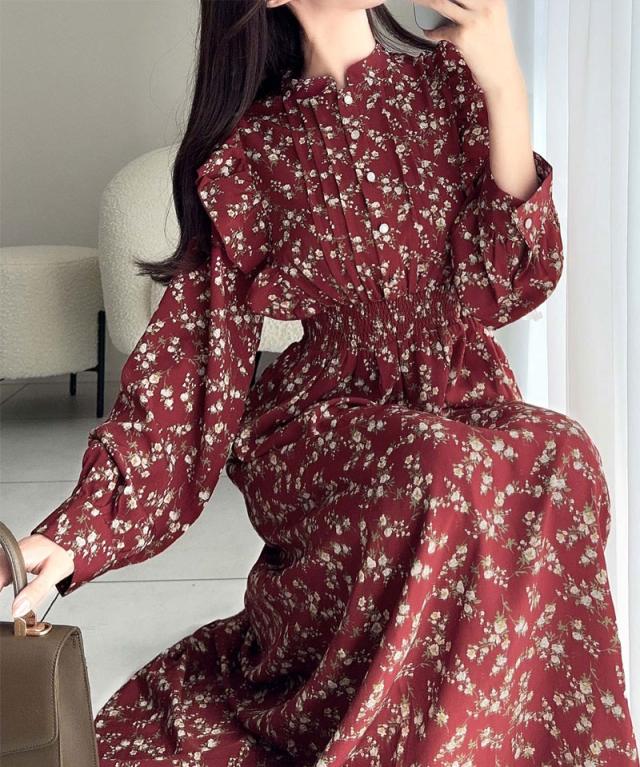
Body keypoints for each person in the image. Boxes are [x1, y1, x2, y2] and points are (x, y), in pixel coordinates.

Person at [2, 0, 638, 764]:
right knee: (440, 469)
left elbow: (508, 283)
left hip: (459, 396)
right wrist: (75, 534)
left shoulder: (447, 88)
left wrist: (505, 85)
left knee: (564, 455)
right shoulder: (250, 152)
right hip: (326, 424)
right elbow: (191, 365)